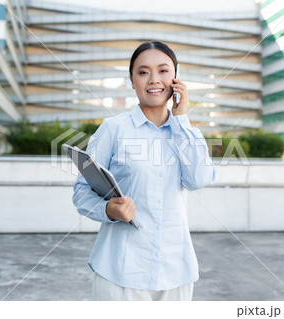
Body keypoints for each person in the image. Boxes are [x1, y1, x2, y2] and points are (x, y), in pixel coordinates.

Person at [72, 41, 216, 301]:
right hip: (121, 270)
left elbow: (200, 179)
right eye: (143, 72)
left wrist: (181, 119)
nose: (154, 80)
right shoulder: (113, 128)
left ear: (175, 77)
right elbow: (82, 192)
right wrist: (108, 209)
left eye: (163, 71)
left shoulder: (186, 132)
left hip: (176, 270)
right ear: (132, 80)